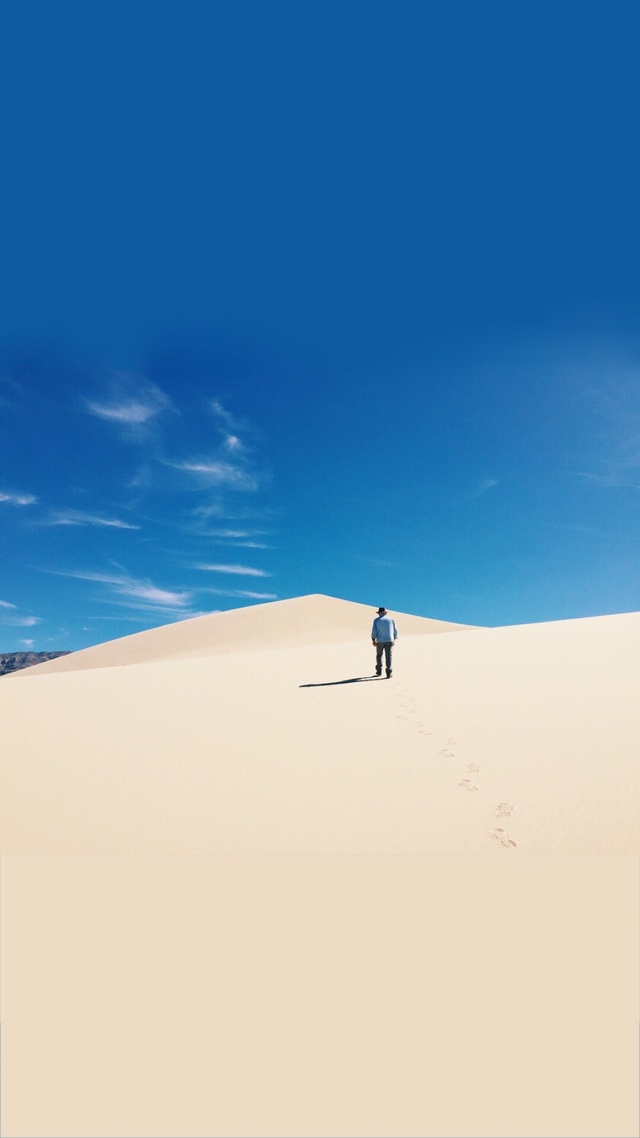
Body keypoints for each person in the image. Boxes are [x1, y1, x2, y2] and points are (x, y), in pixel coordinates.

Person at [371, 606, 397, 678]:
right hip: (389, 640)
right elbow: (395, 630)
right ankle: (389, 673)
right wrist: (394, 638)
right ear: (385, 613)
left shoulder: (376, 620)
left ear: (379, 613)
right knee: (388, 656)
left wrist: (373, 639)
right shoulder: (391, 619)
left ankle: (379, 672)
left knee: (379, 656)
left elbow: (374, 631)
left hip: (380, 640)